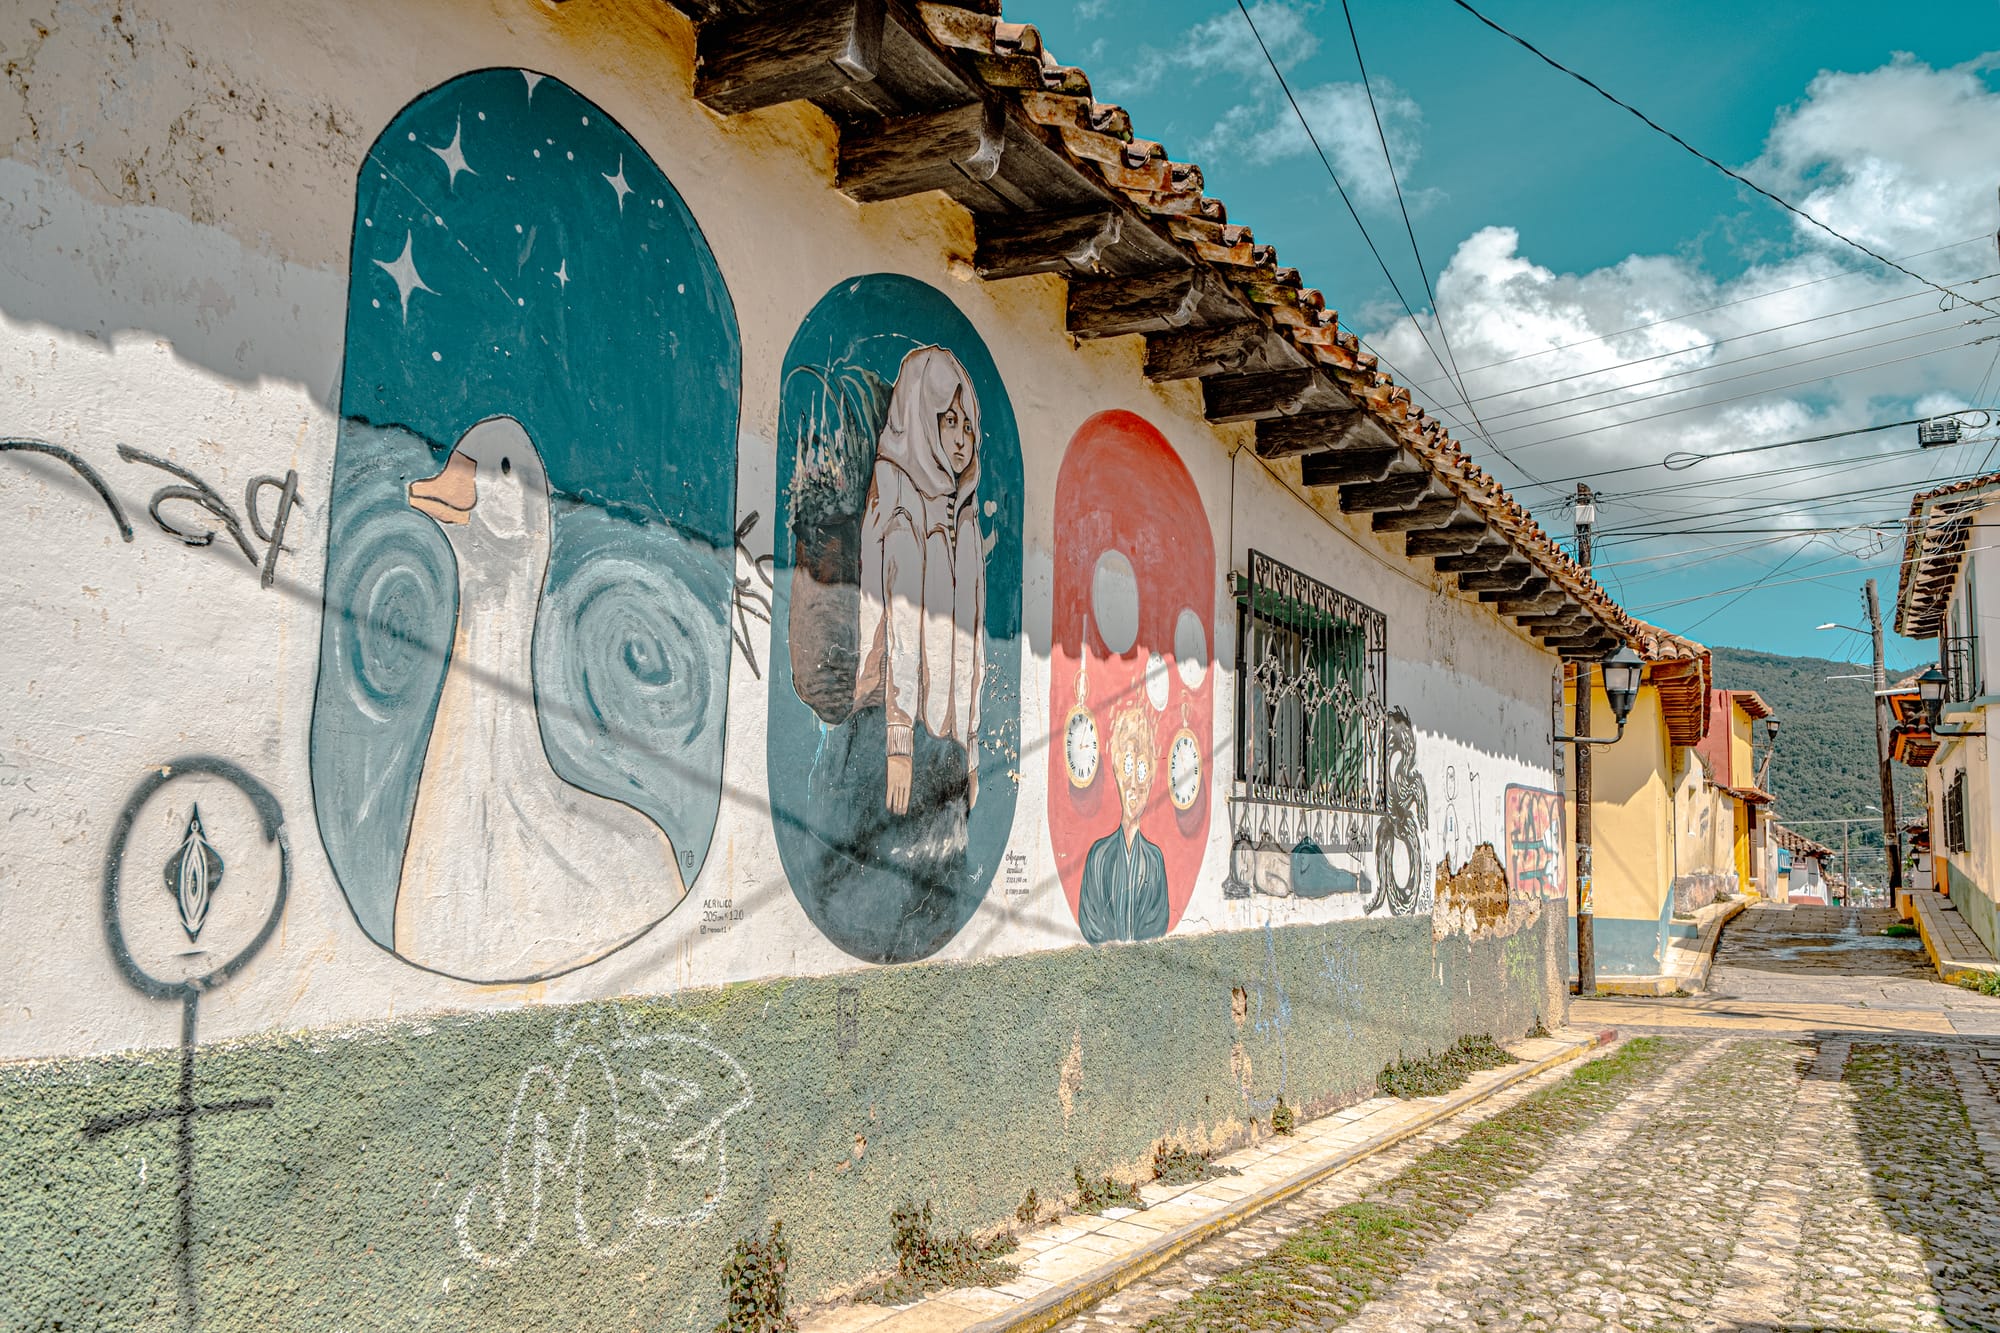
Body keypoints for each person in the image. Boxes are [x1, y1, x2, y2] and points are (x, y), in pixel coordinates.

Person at [801, 345, 987, 961]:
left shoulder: (960, 521)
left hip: (943, 749)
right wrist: (901, 740)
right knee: (870, 881)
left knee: (929, 887)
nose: (959, 439)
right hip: (891, 733)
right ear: (917, 417)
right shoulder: (897, 502)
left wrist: (972, 755)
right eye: (946, 420)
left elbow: (973, 650)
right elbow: (900, 621)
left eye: (966, 424)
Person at [1078, 703, 1170, 943]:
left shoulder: (1155, 860)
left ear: (1150, 780)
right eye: (1128, 767)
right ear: (1117, 773)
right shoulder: (1098, 856)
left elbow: (1157, 926)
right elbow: (1091, 925)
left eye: (1141, 770)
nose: (1133, 784)